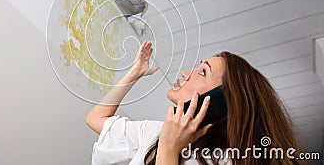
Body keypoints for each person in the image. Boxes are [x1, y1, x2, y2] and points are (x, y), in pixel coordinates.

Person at [85, 41, 306, 165]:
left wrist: (169, 151)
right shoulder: (158, 132)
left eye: (202, 72)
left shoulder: (226, 161)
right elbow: (96, 119)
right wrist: (134, 73)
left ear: (223, 101)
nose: (185, 73)